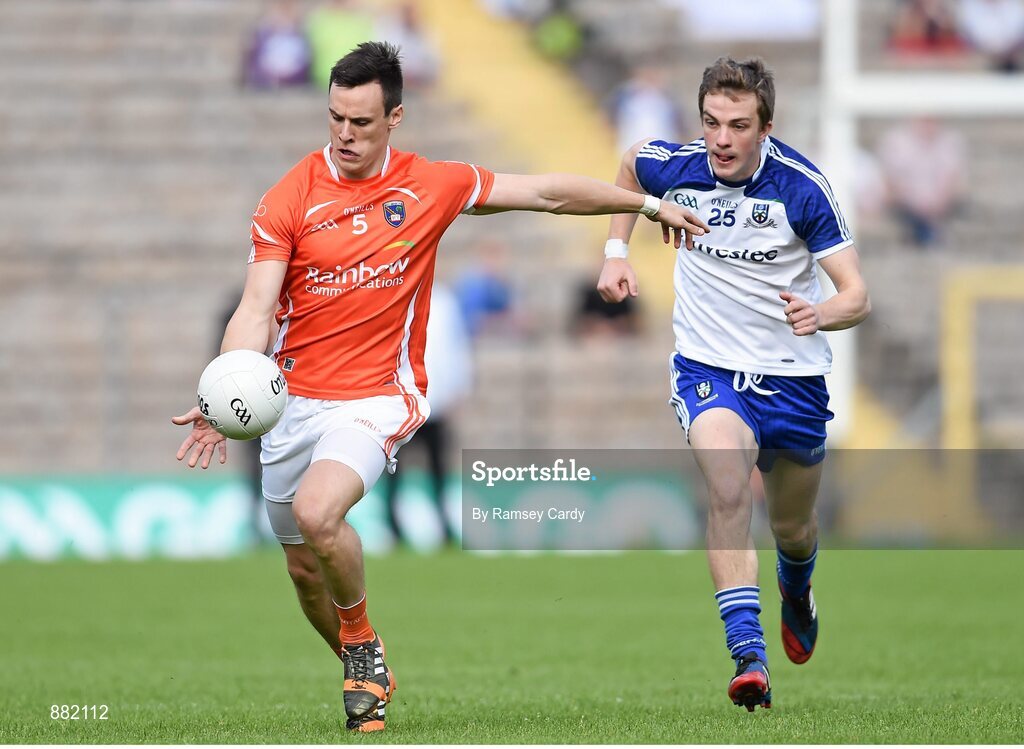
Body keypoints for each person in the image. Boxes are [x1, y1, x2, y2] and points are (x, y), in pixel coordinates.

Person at [172, 42, 706, 734]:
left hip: (375, 397)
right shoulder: (288, 197)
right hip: (290, 402)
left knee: (318, 511)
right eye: (335, 117)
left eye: (361, 121)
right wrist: (222, 398)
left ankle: (361, 640)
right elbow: (254, 307)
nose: (344, 134)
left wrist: (643, 202)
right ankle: (366, 661)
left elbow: (543, 192)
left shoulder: (432, 185)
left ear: (395, 117)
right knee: (304, 572)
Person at [597, 57, 870, 712]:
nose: (721, 139)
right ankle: (749, 656)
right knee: (725, 483)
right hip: (708, 365)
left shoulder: (802, 188)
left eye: (738, 125)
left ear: (765, 128)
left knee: (794, 526)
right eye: (712, 122)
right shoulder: (679, 166)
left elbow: (856, 294)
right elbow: (633, 163)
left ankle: (796, 588)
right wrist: (616, 250)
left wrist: (820, 312)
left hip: (795, 377)